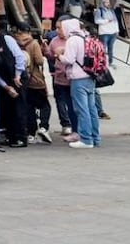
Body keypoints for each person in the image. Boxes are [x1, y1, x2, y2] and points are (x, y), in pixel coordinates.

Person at [59, 18, 100, 150]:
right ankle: (95, 137)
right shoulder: (87, 37)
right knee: (92, 109)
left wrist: (58, 56)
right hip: (90, 76)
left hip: (78, 78)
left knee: (82, 110)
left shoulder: (72, 40)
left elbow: (68, 59)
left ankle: (86, 139)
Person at [13, 26, 52, 144]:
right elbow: (39, 61)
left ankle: (31, 133)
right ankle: (43, 127)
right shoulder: (33, 43)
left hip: (22, 79)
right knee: (45, 105)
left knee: (29, 107)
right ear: (28, 32)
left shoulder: (15, 42)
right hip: (35, 79)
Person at [46, 21, 77, 138]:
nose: (58, 31)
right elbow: (50, 55)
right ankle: (65, 124)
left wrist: (61, 54)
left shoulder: (72, 40)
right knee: (60, 100)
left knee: (72, 102)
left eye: (60, 28)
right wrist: (46, 51)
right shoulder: (54, 41)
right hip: (58, 75)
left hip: (71, 76)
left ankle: (75, 127)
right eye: (57, 28)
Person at [94, 0, 120, 67]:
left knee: (110, 48)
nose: (108, 4)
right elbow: (96, 21)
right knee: (103, 48)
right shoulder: (99, 11)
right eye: (106, 2)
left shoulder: (111, 10)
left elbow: (115, 21)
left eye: (108, 2)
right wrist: (107, 21)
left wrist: (117, 30)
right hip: (104, 33)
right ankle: (102, 62)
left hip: (112, 32)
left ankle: (110, 62)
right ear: (102, 3)